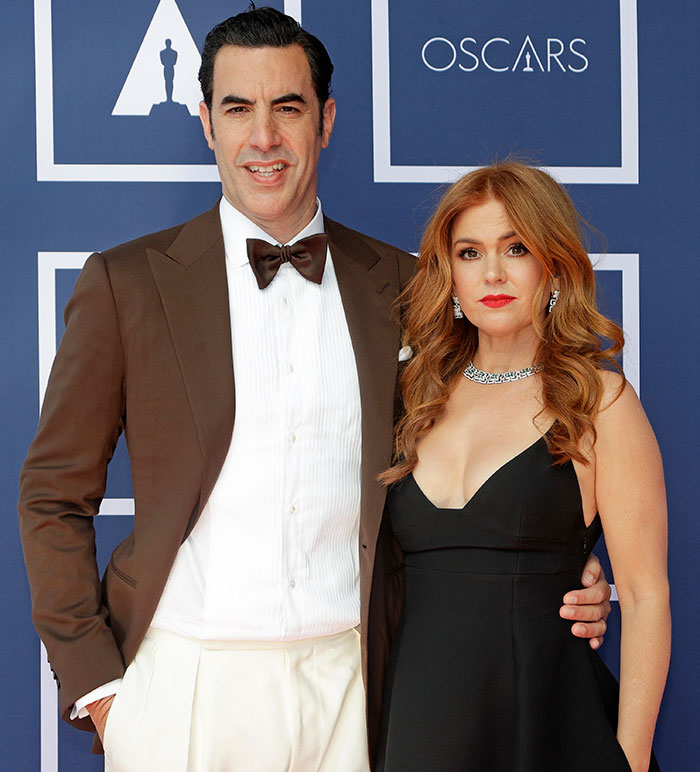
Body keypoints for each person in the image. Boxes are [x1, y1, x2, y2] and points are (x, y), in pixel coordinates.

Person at [18, 8, 611, 771]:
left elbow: (497, 441)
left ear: (325, 121)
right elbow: (53, 495)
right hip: (184, 688)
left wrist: (568, 567)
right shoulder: (125, 284)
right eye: (238, 108)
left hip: (358, 688)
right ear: (206, 122)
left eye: (287, 107)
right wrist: (101, 691)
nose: (263, 137)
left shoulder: (408, 287)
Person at [375, 162, 670, 772]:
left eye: (516, 248)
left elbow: (643, 596)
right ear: (448, 272)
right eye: (469, 251)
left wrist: (632, 761)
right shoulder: (411, 399)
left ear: (553, 264)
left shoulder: (600, 402)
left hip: (552, 727)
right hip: (416, 724)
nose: (492, 273)